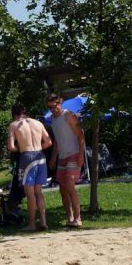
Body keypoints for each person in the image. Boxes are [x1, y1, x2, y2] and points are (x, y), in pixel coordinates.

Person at [7, 103, 52, 231]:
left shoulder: (14, 125)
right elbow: (48, 142)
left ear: (14, 114)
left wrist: (21, 149)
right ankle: (43, 222)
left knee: (30, 194)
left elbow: (11, 146)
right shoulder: (38, 123)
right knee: (38, 192)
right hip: (40, 156)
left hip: (27, 157)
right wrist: (37, 148)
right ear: (25, 112)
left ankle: (32, 224)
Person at [45, 94, 85, 227]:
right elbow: (57, 140)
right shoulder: (52, 120)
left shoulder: (69, 116)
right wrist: (53, 158)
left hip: (73, 154)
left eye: (54, 106)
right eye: (50, 107)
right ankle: (70, 217)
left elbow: (81, 136)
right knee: (62, 188)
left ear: (60, 103)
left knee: (70, 185)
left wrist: (81, 156)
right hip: (62, 157)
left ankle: (78, 218)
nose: (53, 109)